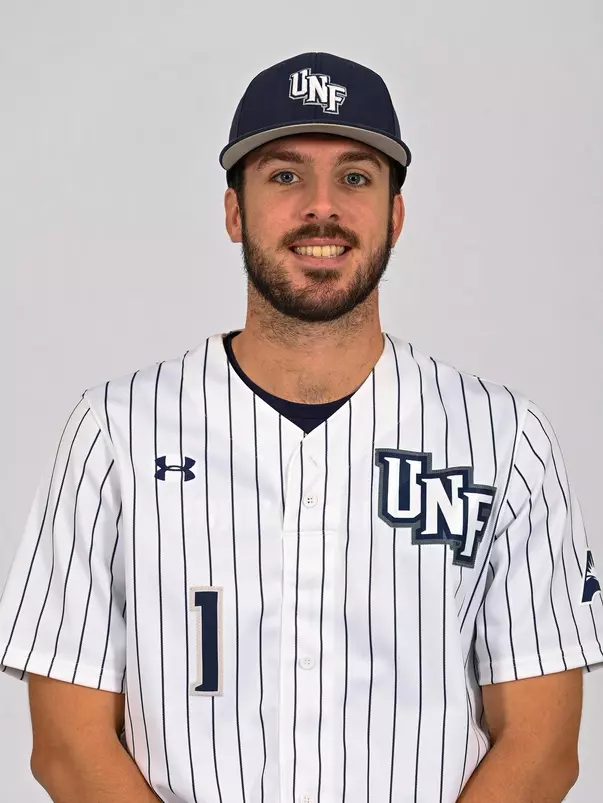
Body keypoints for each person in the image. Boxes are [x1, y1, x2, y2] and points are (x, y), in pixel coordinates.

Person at [0, 50, 602, 803]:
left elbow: (542, 749)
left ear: (395, 215)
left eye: (355, 177)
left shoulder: (505, 439)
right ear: (234, 212)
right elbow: (67, 745)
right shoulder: (114, 434)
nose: (322, 207)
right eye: (285, 175)